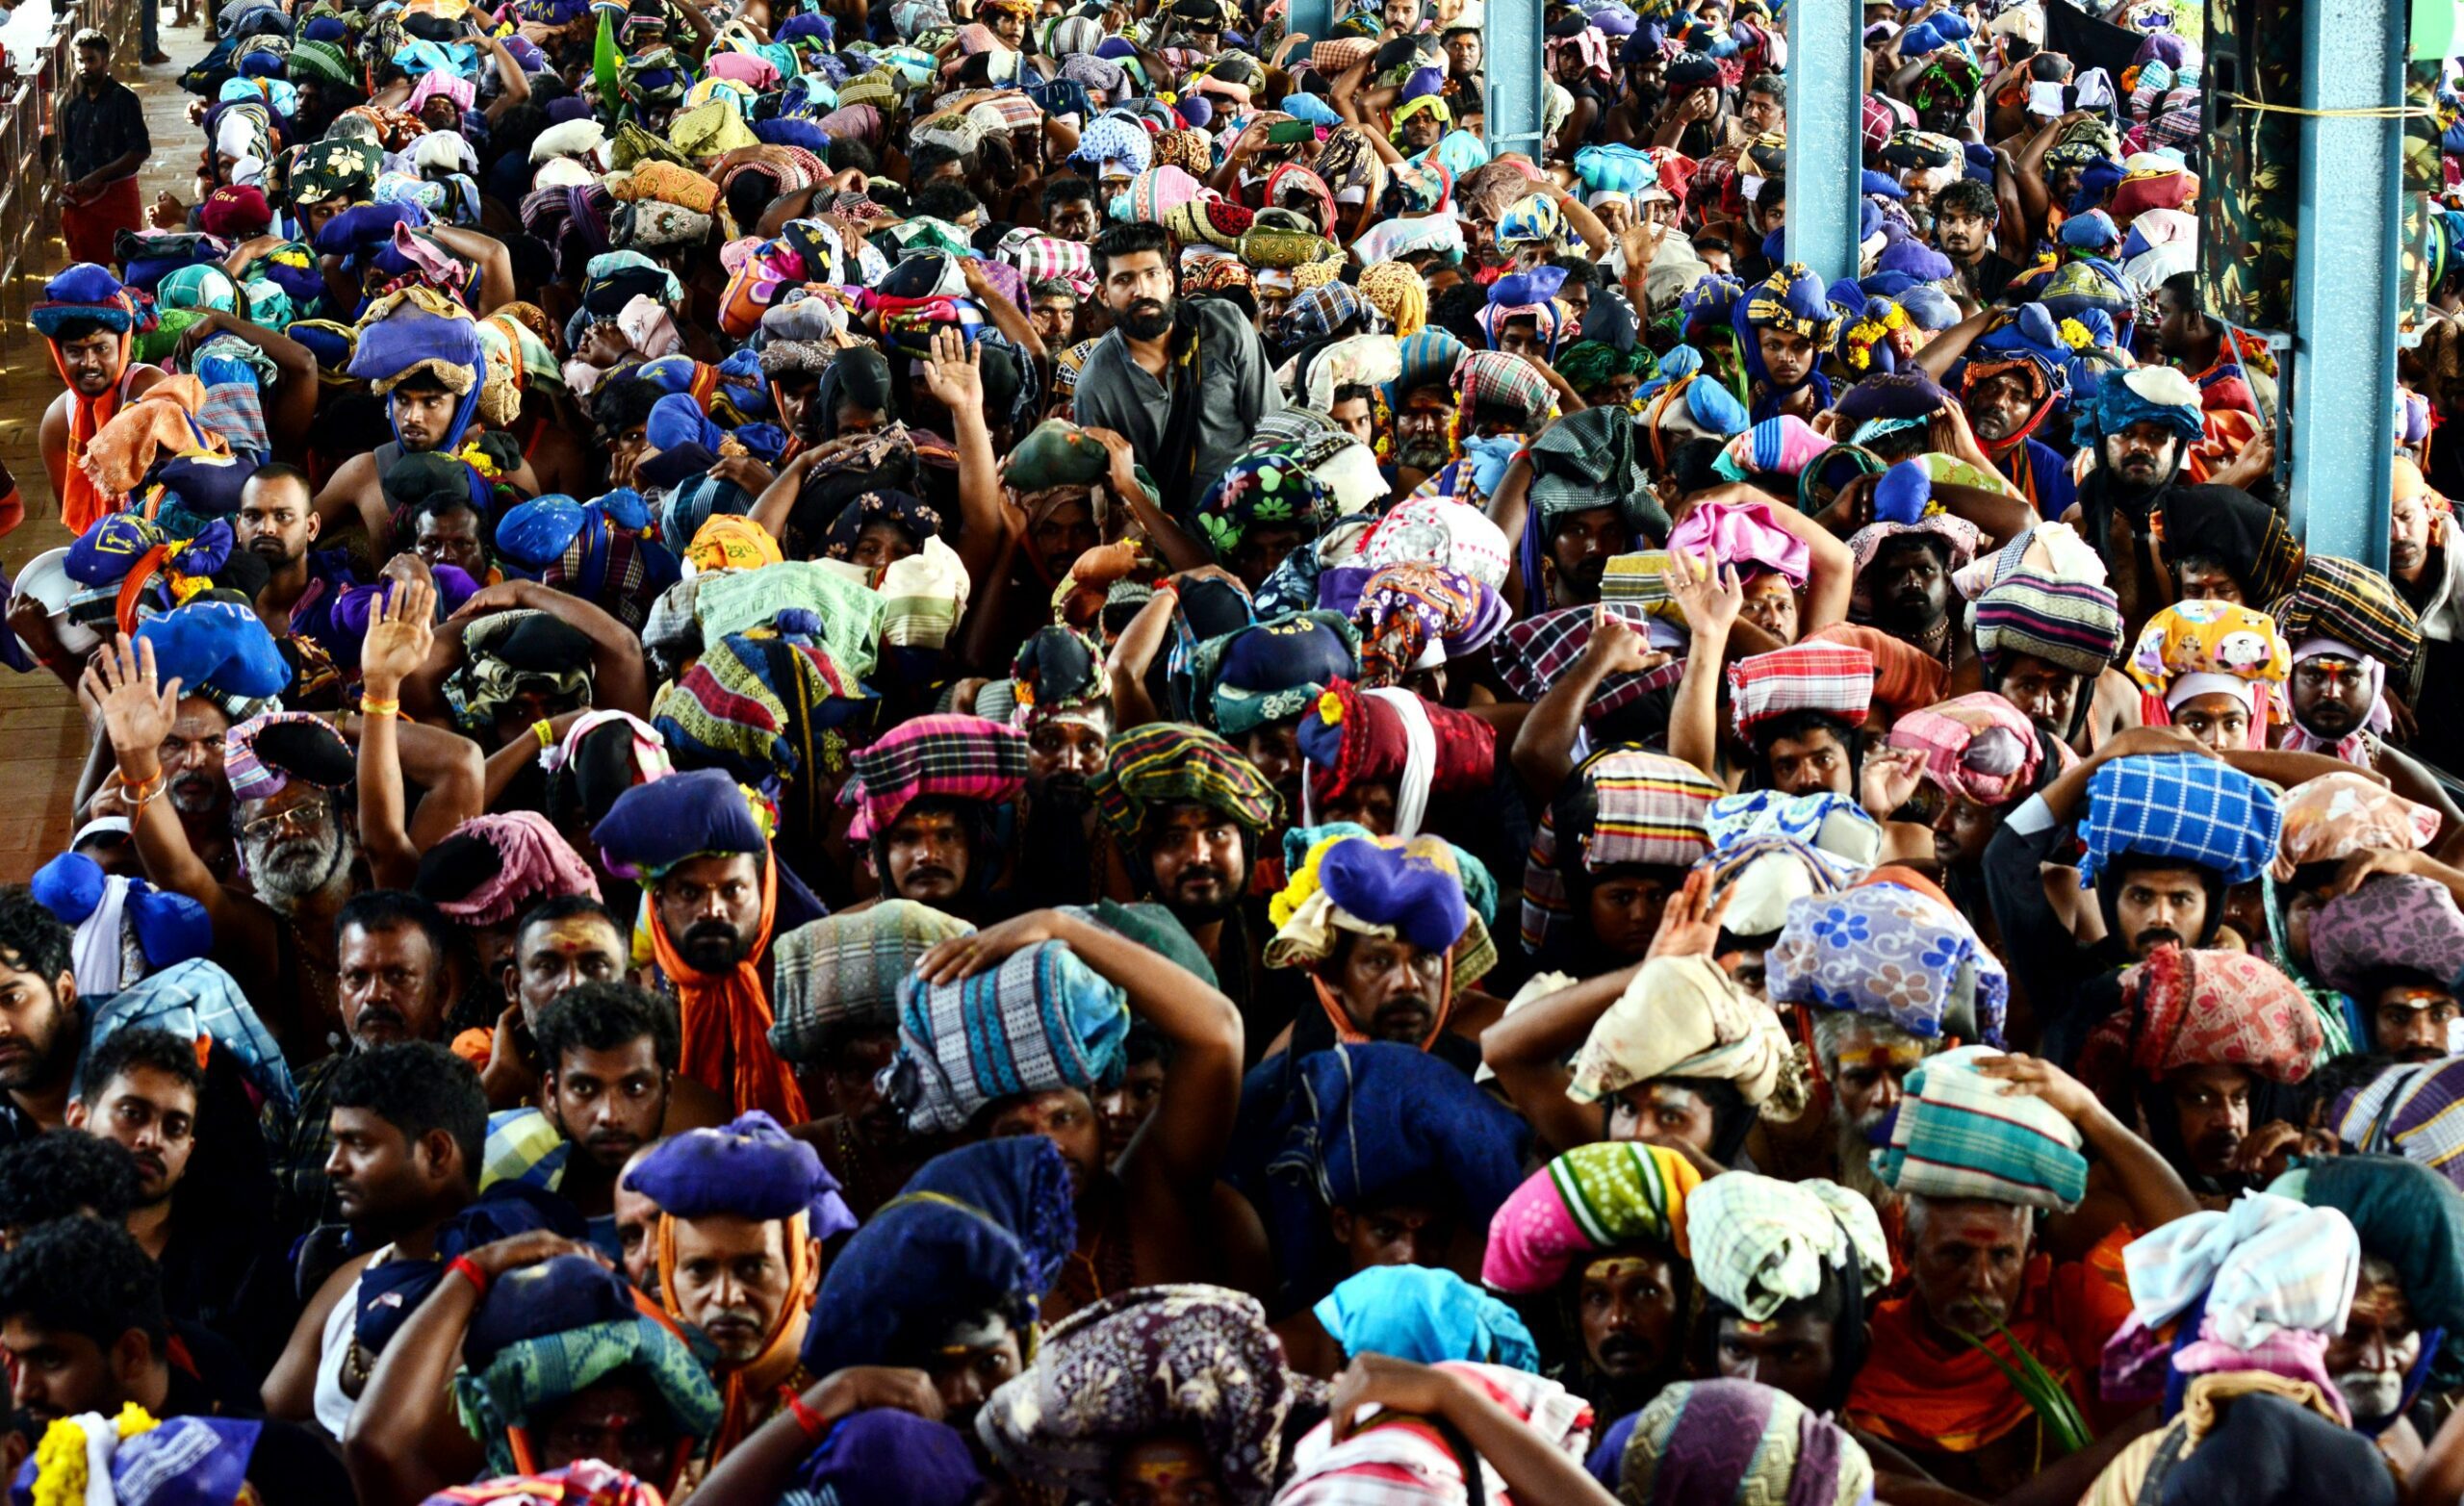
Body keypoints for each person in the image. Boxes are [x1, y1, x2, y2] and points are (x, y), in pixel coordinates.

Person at [1846, 1048, 2196, 1496]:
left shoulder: (2068, 1307)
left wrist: (2090, 1114)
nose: (1980, 1281)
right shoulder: (1870, 1349)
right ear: (1910, 1249)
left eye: (2002, 1257)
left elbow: (2199, 1251)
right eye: (1955, 1255)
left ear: (2031, 1251)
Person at [0, 1218, 353, 1506]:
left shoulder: (281, 1464)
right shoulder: (21, 1460)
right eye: (15, 1361)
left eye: (49, 1360)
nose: (22, 1393)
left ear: (132, 1354)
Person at [618, 1111, 855, 1459]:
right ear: (668, 1272)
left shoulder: (848, 1402)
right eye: (700, 1270)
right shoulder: (647, 1396)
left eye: (753, 1268)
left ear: (808, 1266)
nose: (726, 1296)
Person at [1072, 222, 1283, 516]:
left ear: (1170, 281)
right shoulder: (1097, 382)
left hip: (1255, 509)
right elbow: (1109, 491)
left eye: (1151, 274)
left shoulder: (1224, 326)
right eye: (1123, 280)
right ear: (1104, 295)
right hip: (1168, 532)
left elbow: (1272, 428)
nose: (1141, 290)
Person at [57, 34, 150, 268]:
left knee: (128, 266)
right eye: (80, 61)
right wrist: (71, 182)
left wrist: (98, 175)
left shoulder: (124, 99)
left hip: (118, 198)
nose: (85, 67)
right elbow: (68, 153)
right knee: (88, 272)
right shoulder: (73, 108)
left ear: (105, 61)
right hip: (84, 203)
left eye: (91, 60)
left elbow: (140, 150)